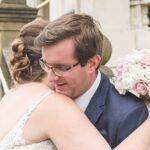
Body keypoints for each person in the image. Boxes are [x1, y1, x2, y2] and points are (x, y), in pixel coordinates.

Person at [0, 17, 150, 150]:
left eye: (61, 68)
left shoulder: (129, 113)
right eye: (46, 65)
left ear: (92, 63)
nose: (51, 77)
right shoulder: (42, 101)